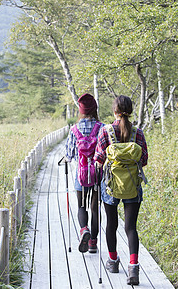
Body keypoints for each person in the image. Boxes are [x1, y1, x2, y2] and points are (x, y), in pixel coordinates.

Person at [94, 95, 148, 285]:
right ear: (131, 110)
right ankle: (133, 268)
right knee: (131, 227)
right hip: (133, 185)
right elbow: (144, 160)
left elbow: (99, 159)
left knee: (111, 223)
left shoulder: (105, 131)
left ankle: (113, 260)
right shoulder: (138, 133)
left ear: (114, 111)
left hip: (110, 185)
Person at [65, 93, 103, 253]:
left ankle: (84, 230)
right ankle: (93, 243)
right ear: (94, 109)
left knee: (81, 205)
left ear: (81, 110)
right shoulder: (101, 127)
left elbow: (69, 154)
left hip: (80, 174)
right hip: (97, 174)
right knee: (95, 208)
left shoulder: (74, 129)